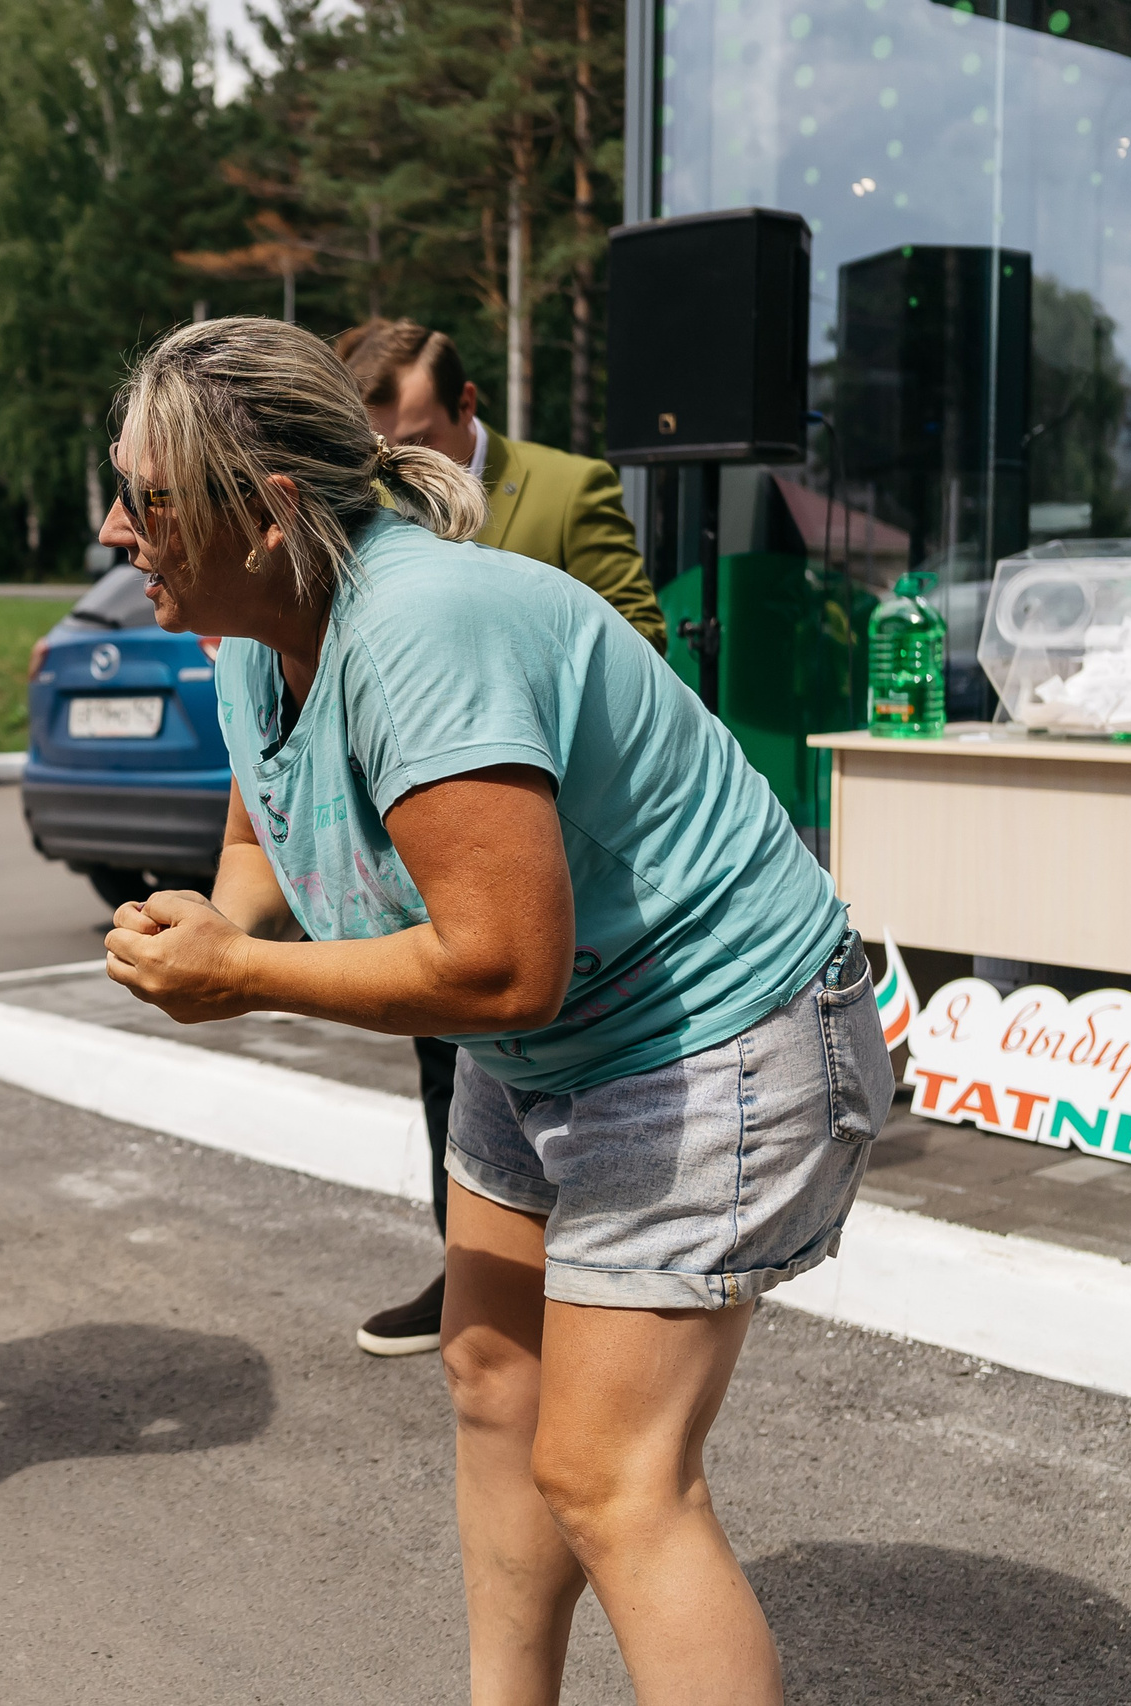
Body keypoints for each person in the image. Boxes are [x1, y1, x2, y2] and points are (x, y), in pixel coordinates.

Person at [96, 317, 886, 1704]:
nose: (116, 527)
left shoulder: (421, 628)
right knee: (485, 1374)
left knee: (613, 1477)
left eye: (147, 498)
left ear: (270, 510)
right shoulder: (252, 630)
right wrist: (223, 915)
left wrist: (244, 975)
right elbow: (264, 818)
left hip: (710, 1024)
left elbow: (501, 961)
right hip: (549, 1046)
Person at [334, 316, 667, 1360]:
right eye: (376, 445)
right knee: (449, 1070)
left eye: (418, 432)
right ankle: (470, 1273)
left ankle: (586, 1279)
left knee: (580, 1069)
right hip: (431, 857)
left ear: (468, 408)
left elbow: (642, 647)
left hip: (567, 845)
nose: (397, 463)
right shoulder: (373, 507)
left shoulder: (568, 489)